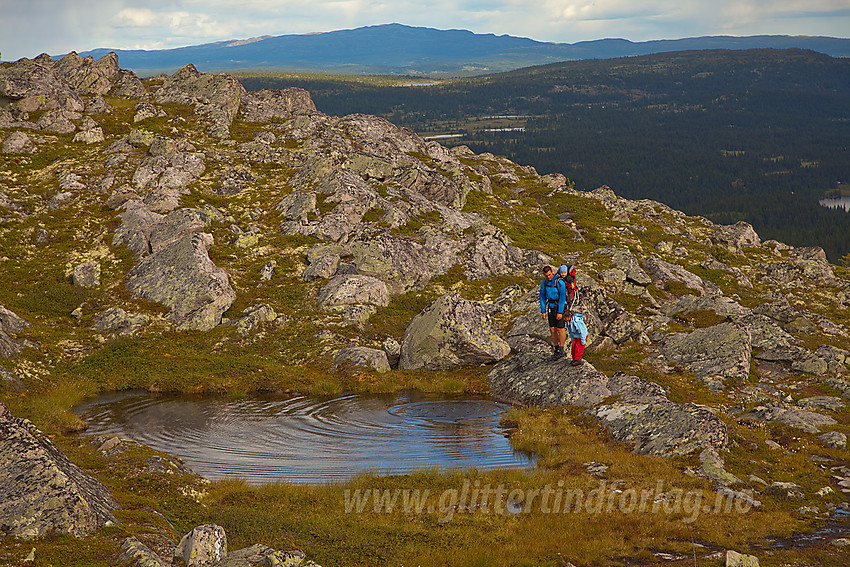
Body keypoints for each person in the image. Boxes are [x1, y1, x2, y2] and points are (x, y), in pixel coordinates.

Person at [539, 265, 567, 359]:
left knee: (560, 329)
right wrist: (543, 311)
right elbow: (542, 297)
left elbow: (562, 298)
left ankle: (562, 349)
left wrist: (560, 312)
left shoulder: (559, 282)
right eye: (546, 275)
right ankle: (556, 349)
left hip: (559, 307)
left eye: (550, 275)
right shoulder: (544, 283)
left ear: (552, 272)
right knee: (552, 329)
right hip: (550, 306)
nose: (548, 277)